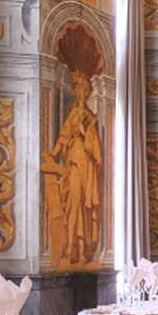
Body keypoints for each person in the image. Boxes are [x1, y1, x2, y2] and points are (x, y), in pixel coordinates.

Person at [43, 71, 102, 267]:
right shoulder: (73, 114)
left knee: (82, 203)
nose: (79, 93)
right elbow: (63, 136)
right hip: (73, 161)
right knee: (72, 201)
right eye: (77, 89)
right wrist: (54, 152)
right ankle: (72, 245)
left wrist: (84, 129)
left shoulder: (89, 117)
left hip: (84, 161)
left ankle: (79, 246)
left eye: (82, 89)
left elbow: (93, 145)